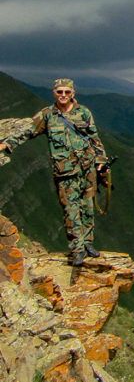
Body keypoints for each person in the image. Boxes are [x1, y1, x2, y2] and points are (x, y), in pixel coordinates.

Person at [0, 78, 109, 266]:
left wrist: (101, 162)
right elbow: (28, 131)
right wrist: (8, 144)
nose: (63, 95)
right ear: (54, 93)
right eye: (60, 92)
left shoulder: (84, 113)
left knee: (88, 208)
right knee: (70, 209)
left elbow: (94, 138)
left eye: (67, 92)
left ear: (73, 93)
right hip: (65, 172)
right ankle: (77, 249)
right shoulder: (47, 115)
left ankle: (88, 243)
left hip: (87, 169)